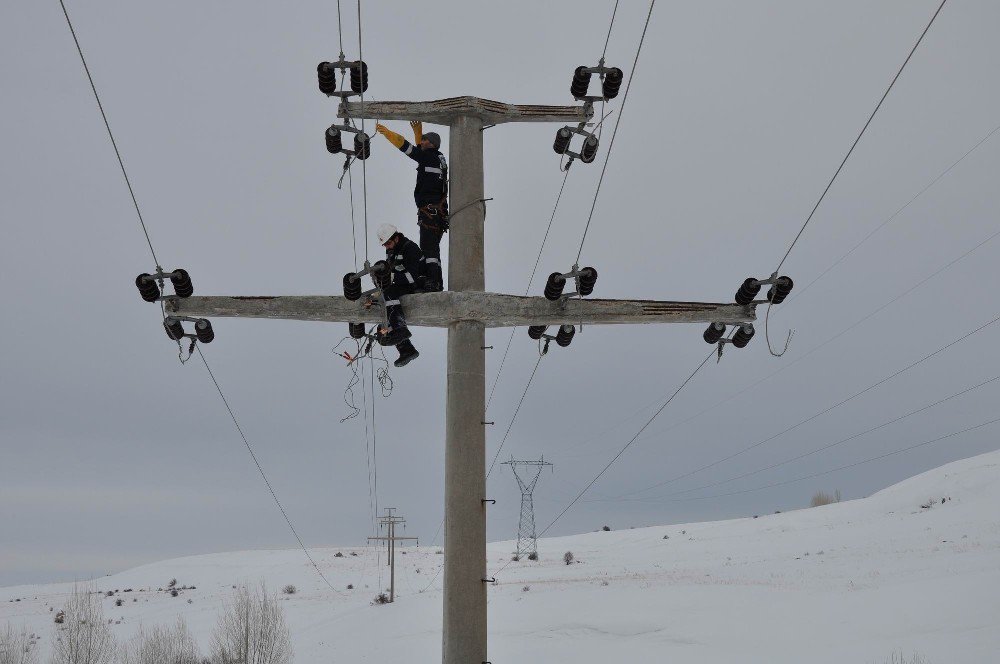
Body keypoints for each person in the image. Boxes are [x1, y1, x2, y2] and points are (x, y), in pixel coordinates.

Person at [374, 120, 448, 292]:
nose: (421, 142)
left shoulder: (428, 157)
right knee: (432, 249)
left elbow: (409, 149)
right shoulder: (437, 158)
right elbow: (421, 153)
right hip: (436, 214)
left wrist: (389, 134)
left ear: (432, 144)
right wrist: (418, 133)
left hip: (430, 213)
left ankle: (434, 282)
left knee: (429, 251)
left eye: (424, 140)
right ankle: (431, 280)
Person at [375, 223, 422, 367]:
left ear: (396, 238)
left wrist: (393, 278)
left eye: (388, 243)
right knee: (383, 301)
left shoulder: (410, 248)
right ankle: (406, 349)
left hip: (417, 285)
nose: (387, 247)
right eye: (385, 245)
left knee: (389, 294)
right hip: (401, 285)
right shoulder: (391, 252)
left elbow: (413, 277)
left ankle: (400, 329)